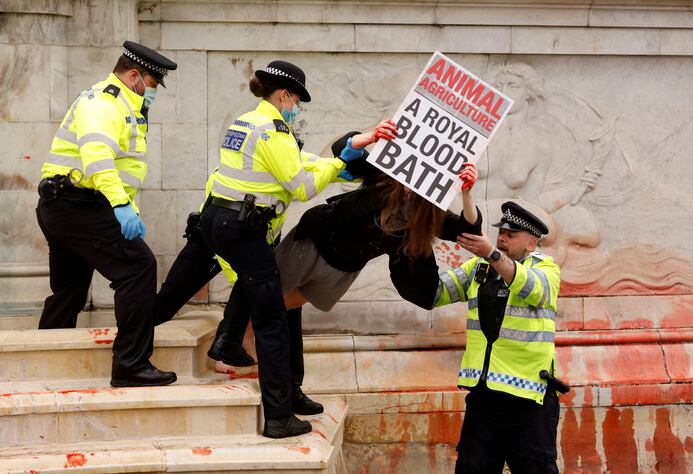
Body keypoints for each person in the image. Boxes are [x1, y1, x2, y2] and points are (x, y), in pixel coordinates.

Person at [210, 135, 481, 414]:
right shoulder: (385, 179)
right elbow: (343, 149)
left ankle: (261, 345)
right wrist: (375, 134)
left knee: (286, 303)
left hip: (343, 268)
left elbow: (470, 231)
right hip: (316, 239)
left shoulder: (431, 216)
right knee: (267, 290)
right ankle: (235, 338)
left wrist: (467, 194)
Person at [198, 60, 380, 438]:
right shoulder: (275, 130)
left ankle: (229, 342)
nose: (297, 107)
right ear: (285, 94)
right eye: (297, 99)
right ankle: (279, 416)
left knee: (261, 287)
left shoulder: (247, 121)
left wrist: (334, 161)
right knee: (271, 319)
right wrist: (338, 165)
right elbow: (301, 187)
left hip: (219, 220)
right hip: (244, 229)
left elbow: (291, 161)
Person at [36, 41, 178, 388]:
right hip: (77, 204)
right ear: (134, 76)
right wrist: (119, 205)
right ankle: (131, 364)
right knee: (138, 267)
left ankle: (46, 359)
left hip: (69, 205)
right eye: (153, 85)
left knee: (69, 289)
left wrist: (126, 205)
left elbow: (124, 169)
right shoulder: (104, 102)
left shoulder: (124, 105)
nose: (153, 93)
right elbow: (97, 157)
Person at [431, 201, 565, 474]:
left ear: (531, 242)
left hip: (529, 399)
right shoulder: (479, 267)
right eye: (501, 232)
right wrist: (416, 246)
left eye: (511, 234)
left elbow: (533, 289)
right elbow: (436, 293)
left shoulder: (546, 268)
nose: (502, 238)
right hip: (485, 396)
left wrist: (491, 254)